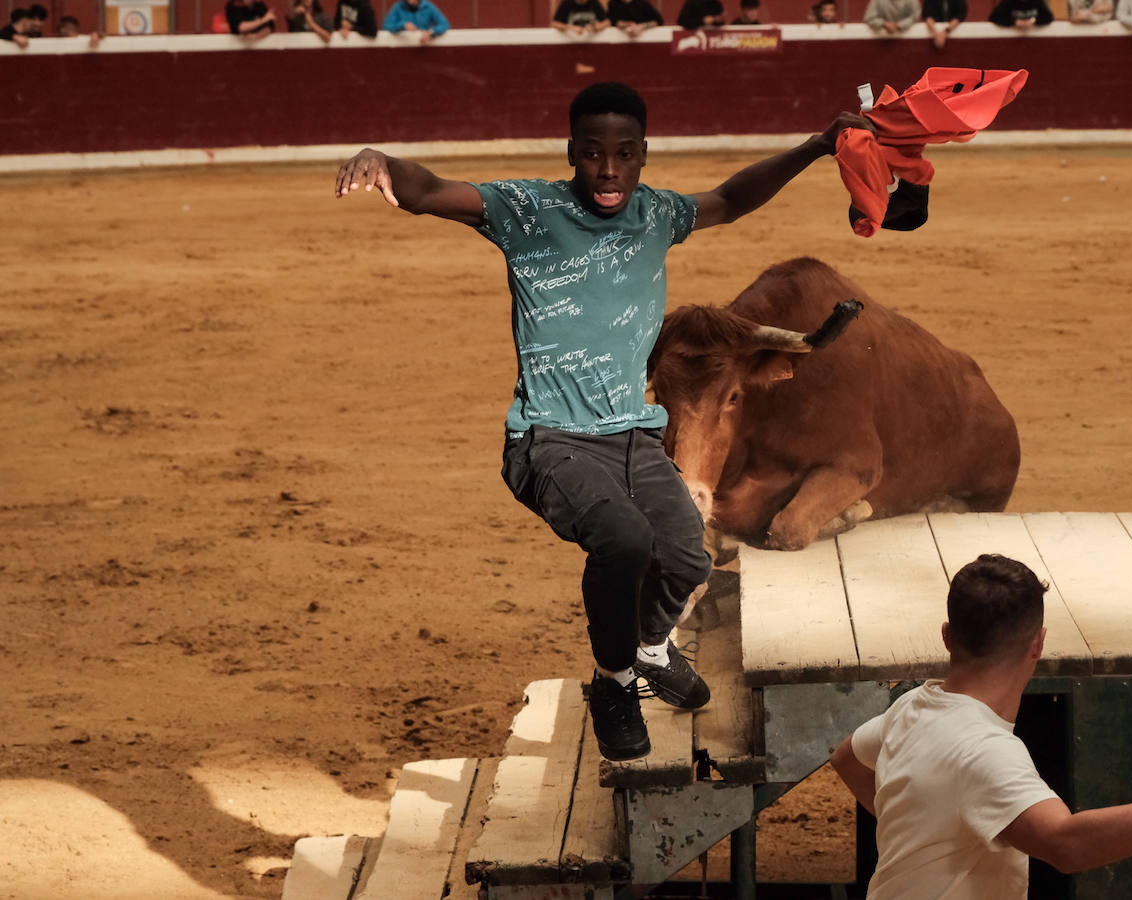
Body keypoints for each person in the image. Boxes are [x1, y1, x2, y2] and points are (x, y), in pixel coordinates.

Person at [333, 82, 870, 763]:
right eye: (592, 155)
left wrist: (816, 147)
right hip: (549, 440)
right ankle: (614, 682)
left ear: (643, 155)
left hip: (634, 435)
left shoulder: (656, 214)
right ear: (571, 154)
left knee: (684, 553)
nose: (608, 170)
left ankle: (649, 648)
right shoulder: (528, 209)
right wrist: (384, 161)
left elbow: (731, 200)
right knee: (623, 540)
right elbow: (430, 189)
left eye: (623, 154)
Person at [829, 554, 1132, 900]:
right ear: (1038, 644)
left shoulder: (911, 706)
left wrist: (914, 823)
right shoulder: (986, 751)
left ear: (948, 635)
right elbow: (1066, 845)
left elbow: (846, 756)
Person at [383, 0, 449, 42]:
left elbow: (444, 24)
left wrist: (431, 32)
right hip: (404, 46)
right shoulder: (398, 7)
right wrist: (403, 25)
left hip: (424, 45)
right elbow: (386, 26)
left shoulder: (428, 6)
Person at [989, 0, 1053, 28]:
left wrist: (1033, 21)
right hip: (1012, 38)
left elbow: (1049, 17)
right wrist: (1014, 22)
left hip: (1033, 37)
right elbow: (994, 17)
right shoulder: (1009, 1)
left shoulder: (1037, 0)